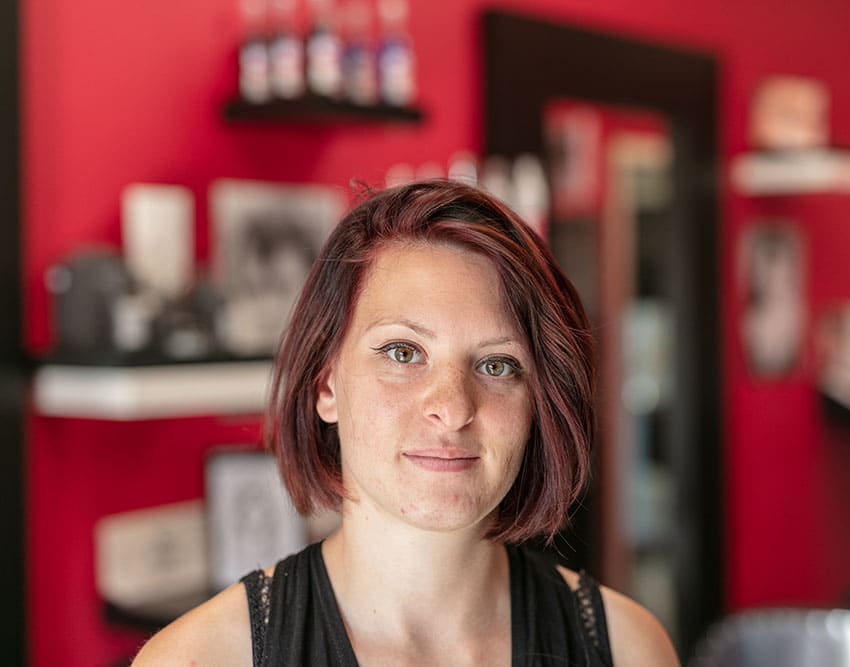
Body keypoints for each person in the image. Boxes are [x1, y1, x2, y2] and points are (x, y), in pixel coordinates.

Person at [134, 179, 678, 666]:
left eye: (496, 365)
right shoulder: (200, 659)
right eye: (402, 352)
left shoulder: (628, 647)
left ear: (538, 403)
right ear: (327, 386)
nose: (453, 407)